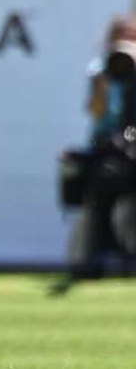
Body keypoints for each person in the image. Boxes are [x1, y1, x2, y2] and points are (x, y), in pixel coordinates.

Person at [53, 16, 136, 295]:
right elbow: (96, 111)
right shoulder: (101, 69)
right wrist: (106, 79)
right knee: (98, 194)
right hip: (108, 145)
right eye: (122, 37)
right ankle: (89, 257)